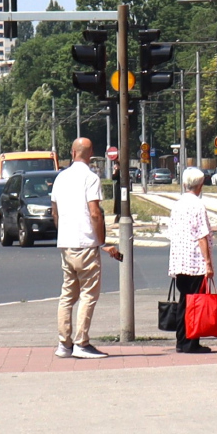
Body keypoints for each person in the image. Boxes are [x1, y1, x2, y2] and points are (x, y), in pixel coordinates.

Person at [50, 138, 121, 359]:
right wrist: (101, 241)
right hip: (86, 244)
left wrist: (64, 232)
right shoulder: (90, 178)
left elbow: (55, 212)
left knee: (67, 295)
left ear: (72, 153)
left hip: (66, 243)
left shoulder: (60, 178)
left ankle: (64, 344)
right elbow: (95, 213)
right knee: (89, 294)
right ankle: (82, 343)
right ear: (90, 154)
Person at [168, 166, 216, 354]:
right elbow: (202, 236)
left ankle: (181, 341)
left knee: (184, 301)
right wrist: (208, 263)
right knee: (195, 303)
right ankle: (191, 342)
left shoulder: (178, 204)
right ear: (200, 184)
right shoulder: (197, 205)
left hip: (179, 260)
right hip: (195, 262)